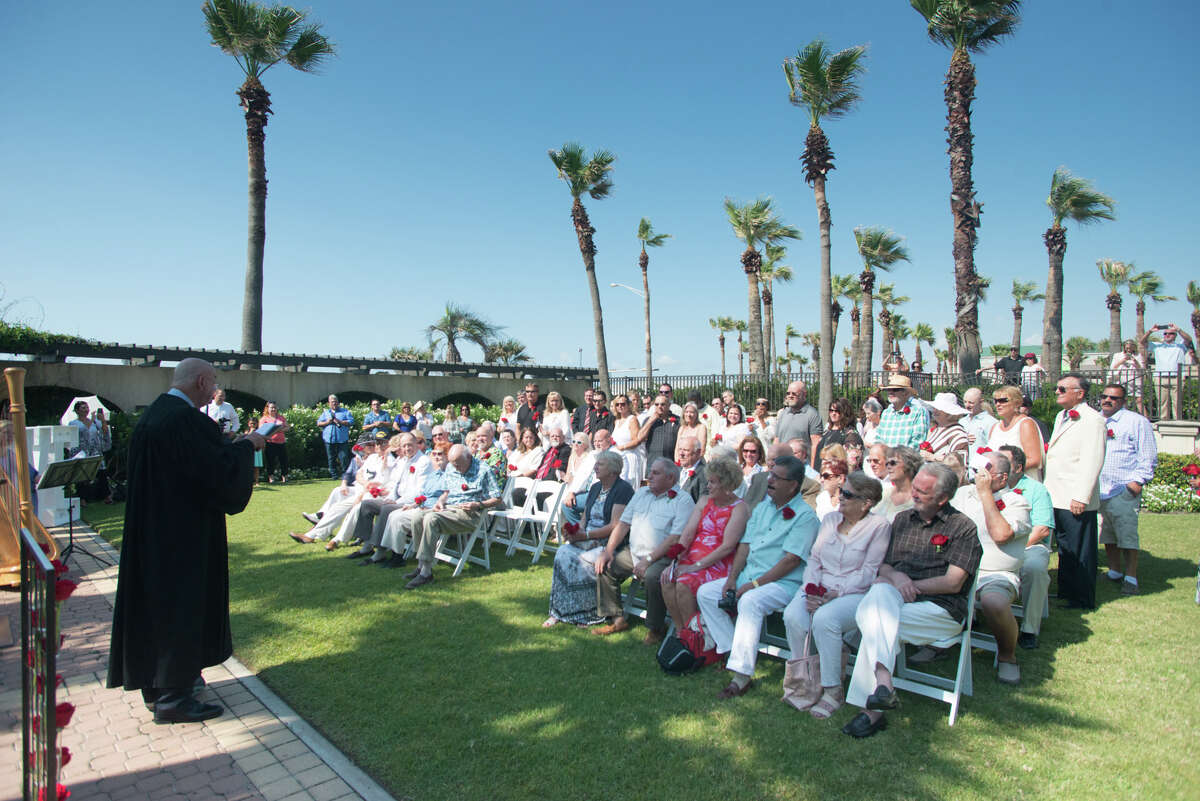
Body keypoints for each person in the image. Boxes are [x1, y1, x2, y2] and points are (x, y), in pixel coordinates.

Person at [107, 358, 265, 724]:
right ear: (202, 381)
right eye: (212, 384)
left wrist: (232, 446)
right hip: (182, 538)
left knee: (154, 608)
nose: (213, 391)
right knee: (180, 608)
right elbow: (214, 472)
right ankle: (175, 697)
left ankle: (156, 686)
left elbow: (194, 464)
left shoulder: (155, 415)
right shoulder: (185, 421)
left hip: (153, 533)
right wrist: (248, 445)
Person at [841, 464, 982, 739]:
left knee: (871, 617)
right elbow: (883, 566)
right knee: (880, 595)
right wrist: (895, 576)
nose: (913, 493)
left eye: (922, 491)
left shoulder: (963, 528)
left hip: (940, 609)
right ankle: (881, 690)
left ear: (943, 498)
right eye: (914, 487)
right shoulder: (902, 520)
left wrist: (909, 584)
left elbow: (954, 582)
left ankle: (875, 706)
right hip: (895, 601)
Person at [695, 454, 819, 698]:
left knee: (750, 601)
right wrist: (732, 578)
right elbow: (744, 546)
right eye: (770, 474)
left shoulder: (806, 517)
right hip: (750, 576)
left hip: (783, 584)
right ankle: (733, 650)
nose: (769, 480)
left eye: (776, 477)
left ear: (793, 485)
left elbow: (790, 560)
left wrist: (753, 584)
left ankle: (740, 678)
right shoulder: (762, 507)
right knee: (707, 593)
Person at [782, 471, 888, 717]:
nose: (840, 497)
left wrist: (834, 593)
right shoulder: (830, 520)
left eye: (848, 494)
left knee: (825, 619)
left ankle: (832, 690)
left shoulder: (878, 526)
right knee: (793, 616)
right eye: (841, 491)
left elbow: (869, 571)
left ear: (866, 503)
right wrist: (811, 590)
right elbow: (814, 560)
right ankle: (805, 681)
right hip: (818, 586)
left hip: (855, 593)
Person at [945, 452, 1031, 685]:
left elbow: (1001, 535)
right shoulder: (963, 494)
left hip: (995, 573)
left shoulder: (1016, 502)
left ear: (1002, 478)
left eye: (985, 473)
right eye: (976, 472)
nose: (978, 478)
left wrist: (985, 495)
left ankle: (1007, 656)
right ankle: (935, 641)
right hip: (957, 566)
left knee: (994, 602)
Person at [591, 458, 696, 643]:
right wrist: (608, 550)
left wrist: (648, 560)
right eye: (650, 472)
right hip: (634, 553)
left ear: (671, 477)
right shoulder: (641, 494)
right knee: (605, 566)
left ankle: (655, 627)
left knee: (653, 576)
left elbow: (675, 538)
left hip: (663, 557)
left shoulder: (683, 500)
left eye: (655, 473)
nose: (649, 476)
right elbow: (623, 524)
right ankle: (617, 619)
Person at [544, 451, 633, 626]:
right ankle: (559, 610)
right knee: (563, 553)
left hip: (608, 543)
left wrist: (585, 536)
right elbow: (585, 518)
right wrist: (575, 532)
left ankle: (585, 614)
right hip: (588, 538)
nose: (595, 467)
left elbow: (615, 525)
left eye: (600, 464)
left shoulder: (623, 489)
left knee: (585, 561)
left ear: (613, 470)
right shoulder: (595, 487)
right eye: (596, 463)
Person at [660, 457, 748, 630]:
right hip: (692, 557)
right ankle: (681, 631)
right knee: (667, 579)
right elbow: (687, 534)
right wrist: (675, 561)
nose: (708, 486)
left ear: (727, 485)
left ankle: (697, 637)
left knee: (684, 583)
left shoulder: (739, 508)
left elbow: (728, 546)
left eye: (713, 482)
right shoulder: (704, 501)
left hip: (718, 562)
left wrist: (695, 567)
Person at [1044, 372, 1106, 609]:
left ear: (1079, 393)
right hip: (1057, 494)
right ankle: (1066, 590)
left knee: (1080, 548)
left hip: (1074, 497)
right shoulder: (1062, 416)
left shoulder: (1093, 420)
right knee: (1065, 547)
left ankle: (1082, 597)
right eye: (1057, 388)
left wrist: (1081, 496)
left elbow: (1092, 461)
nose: (1057, 392)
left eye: (1062, 389)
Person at [404, 443, 504, 589]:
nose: (456, 467)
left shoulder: (484, 470)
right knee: (418, 516)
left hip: (470, 514)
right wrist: (440, 502)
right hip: (449, 508)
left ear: (469, 457)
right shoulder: (451, 467)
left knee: (432, 519)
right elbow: (446, 492)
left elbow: (497, 498)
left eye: (459, 464)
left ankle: (426, 573)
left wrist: (478, 505)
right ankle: (421, 566)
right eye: (454, 464)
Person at [1098, 383, 1157, 595]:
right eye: (1104, 396)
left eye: (1113, 398)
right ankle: (1114, 571)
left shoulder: (1136, 422)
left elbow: (1148, 456)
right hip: (1100, 489)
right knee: (1108, 533)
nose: (1107, 400)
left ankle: (1131, 577)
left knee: (1127, 535)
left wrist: (1137, 482)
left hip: (1123, 488)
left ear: (1123, 401)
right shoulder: (1096, 420)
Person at [997, 445, 1055, 650]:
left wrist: (1014, 548)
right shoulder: (992, 489)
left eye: (1005, 462)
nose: (999, 466)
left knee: (1035, 568)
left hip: (1030, 546)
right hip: (996, 545)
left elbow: (1042, 530)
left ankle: (1029, 628)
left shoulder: (1037, 490)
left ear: (1019, 468)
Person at [987, 385, 1045, 481]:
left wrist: (1006, 469)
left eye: (1003, 400)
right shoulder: (995, 427)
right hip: (999, 485)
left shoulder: (1025, 424)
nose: (998, 404)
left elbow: (1035, 460)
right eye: (995, 401)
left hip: (1022, 483)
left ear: (1017, 403)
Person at [1139, 323, 1196, 419]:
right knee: (1162, 402)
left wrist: (1178, 329)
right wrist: (1150, 331)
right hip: (1160, 377)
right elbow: (1142, 342)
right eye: (1165, 333)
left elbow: (1189, 339)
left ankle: (1177, 422)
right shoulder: (1157, 346)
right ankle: (1163, 421)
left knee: (1177, 402)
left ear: (1175, 336)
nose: (1167, 335)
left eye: (1170, 333)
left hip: (1177, 377)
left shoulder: (1180, 346)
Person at [67, 399, 113, 503]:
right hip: (82, 452)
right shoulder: (73, 423)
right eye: (83, 408)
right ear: (77, 411)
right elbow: (84, 431)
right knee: (82, 476)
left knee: (101, 473)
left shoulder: (95, 422)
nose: (86, 410)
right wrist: (91, 420)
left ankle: (107, 496)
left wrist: (103, 421)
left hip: (95, 451)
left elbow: (104, 431)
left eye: (87, 407)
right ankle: (83, 498)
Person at [629, 395, 680, 479]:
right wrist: (651, 421)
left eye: (662, 404)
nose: (659, 407)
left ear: (669, 405)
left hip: (671, 466)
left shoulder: (677, 420)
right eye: (657, 404)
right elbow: (640, 438)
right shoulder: (648, 420)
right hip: (653, 465)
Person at [875, 375, 930, 449]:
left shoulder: (918, 412)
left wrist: (899, 457)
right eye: (888, 390)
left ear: (906, 393)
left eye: (895, 390)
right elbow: (878, 438)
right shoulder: (886, 413)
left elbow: (917, 441)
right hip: (884, 458)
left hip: (906, 458)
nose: (890, 392)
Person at [774, 381, 823, 458]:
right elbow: (776, 440)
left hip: (801, 465)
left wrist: (813, 468)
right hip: (782, 464)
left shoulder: (812, 415)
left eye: (794, 394)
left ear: (804, 395)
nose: (790, 396)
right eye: (788, 393)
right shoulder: (783, 413)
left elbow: (815, 444)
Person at [872, 446, 921, 522]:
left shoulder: (919, 499)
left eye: (893, 463)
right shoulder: (883, 493)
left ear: (909, 465)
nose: (888, 466)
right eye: (887, 464)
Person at [920, 393, 970, 463]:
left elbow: (959, 462)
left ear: (949, 412)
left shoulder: (957, 433)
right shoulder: (937, 429)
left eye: (939, 408)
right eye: (935, 408)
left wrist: (932, 457)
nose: (935, 410)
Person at [609, 394, 645, 482]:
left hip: (629, 457)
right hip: (618, 459)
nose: (620, 406)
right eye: (617, 404)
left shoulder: (632, 419)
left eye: (623, 404)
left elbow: (637, 441)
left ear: (628, 405)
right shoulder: (617, 421)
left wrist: (623, 447)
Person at [317, 395, 354, 478]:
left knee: (344, 457)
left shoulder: (345, 412)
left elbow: (351, 421)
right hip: (329, 439)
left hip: (342, 439)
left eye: (335, 401)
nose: (334, 403)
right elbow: (319, 423)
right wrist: (327, 422)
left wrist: (340, 421)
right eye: (332, 402)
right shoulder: (326, 413)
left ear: (338, 402)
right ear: (329, 403)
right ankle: (334, 475)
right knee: (331, 458)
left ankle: (345, 474)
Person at [815, 398, 856, 467]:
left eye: (837, 411)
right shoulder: (826, 432)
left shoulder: (850, 434)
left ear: (845, 412)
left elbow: (851, 463)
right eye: (831, 410)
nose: (833, 413)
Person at [1108, 340, 1146, 415]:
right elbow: (1113, 367)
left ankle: (1146, 419)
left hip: (1135, 379)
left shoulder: (1138, 356)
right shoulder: (1118, 355)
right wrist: (1122, 361)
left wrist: (1135, 361)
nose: (1128, 350)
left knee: (1139, 400)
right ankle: (1125, 417)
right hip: (1122, 379)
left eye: (1130, 348)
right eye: (1127, 348)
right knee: (1123, 400)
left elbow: (1141, 368)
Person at [259, 401, 290, 484]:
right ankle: (271, 477)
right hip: (270, 443)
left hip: (281, 442)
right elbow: (261, 431)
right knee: (270, 461)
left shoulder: (281, 418)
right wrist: (274, 431)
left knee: (284, 460)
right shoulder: (264, 419)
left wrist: (278, 430)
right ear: (267, 408)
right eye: (271, 407)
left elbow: (287, 427)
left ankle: (285, 476)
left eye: (274, 407)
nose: (273, 409)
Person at [676, 435, 708, 502]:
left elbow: (703, 504)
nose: (681, 454)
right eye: (680, 449)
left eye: (686, 450)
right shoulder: (675, 470)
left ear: (698, 452)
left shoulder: (705, 474)